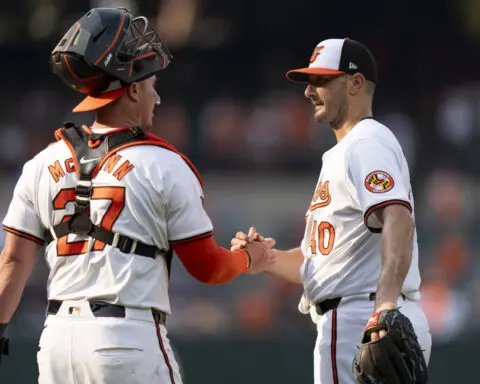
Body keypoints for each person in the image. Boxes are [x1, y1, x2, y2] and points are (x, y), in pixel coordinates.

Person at [0, 7, 273, 384]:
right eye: (151, 86)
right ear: (131, 90)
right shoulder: (163, 163)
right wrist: (248, 257)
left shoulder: (41, 163)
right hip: (125, 340)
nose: (156, 98)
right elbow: (207, 268)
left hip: (56, 344)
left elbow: (12, 263)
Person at [231, 38, 432, 384]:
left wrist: (383, 307)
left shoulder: (365, 142)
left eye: (321, 80)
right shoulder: (343, 153)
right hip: (361, 313)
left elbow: (398, 219)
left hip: (361, 316)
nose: (309, 91)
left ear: (355, 83)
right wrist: (267, 258)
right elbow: (322, 264)